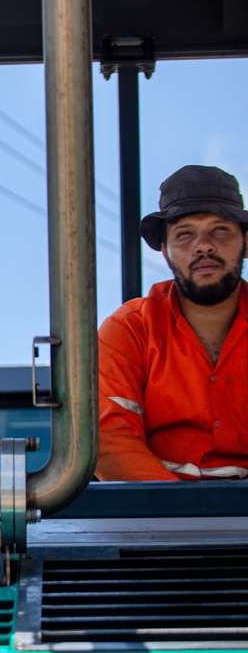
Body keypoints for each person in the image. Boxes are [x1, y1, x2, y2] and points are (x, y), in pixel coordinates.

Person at [97, 165, 248, 481]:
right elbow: (109, 441)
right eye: (185, 234)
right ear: (164, 250)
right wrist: (182, 513)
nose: (204, 245)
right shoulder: (129, 330)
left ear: (245, 242)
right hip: (158, 522)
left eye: (220, 230)